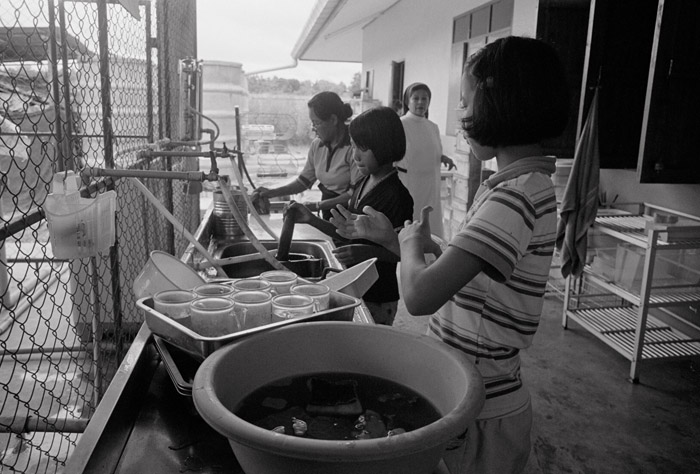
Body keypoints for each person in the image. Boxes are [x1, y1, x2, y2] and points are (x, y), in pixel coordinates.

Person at [331, 36, 570, 473]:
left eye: (466, 103)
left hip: (483, 407)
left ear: (500, 103)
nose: (462, 118)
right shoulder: (520, 186)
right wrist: (394, 241)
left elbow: (420, 296)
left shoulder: (513, 198)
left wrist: (405, 243)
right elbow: (466, 271)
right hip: (479, 389)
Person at [286, 106, 413, 325]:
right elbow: (347, 232)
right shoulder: (365, 181)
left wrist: (368, 252)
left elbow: (406, 252)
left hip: (379, 297)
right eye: (353, 146)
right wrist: (311, 219)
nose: (355, 156)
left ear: (384, 146)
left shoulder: (397, 196)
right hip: (355, 288)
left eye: (362, 149)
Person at [252, 91, 361, 220]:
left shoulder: (354, 148)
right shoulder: (317, 146)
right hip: (329, 214)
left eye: (317, 123)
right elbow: (303, 182)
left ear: (333, 120)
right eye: (312, 123)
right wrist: (272, 192)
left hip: (350, 216)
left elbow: (355, 194)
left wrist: (316, 206)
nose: (313, 128)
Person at [394, 82, 456, 238]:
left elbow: (431, 150)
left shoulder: (432, 126)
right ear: (407, 101)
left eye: (425, 98)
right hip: (411, 185)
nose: (421, 102)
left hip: (431, 185)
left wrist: (443, 157)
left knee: (432, 222)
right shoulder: (400, 125)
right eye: (416, 98)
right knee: (413, 224)